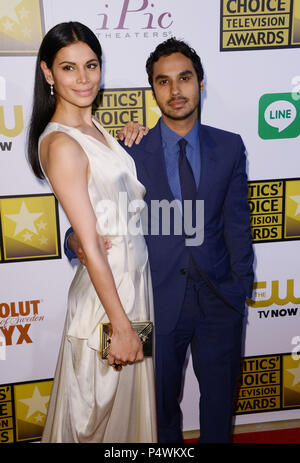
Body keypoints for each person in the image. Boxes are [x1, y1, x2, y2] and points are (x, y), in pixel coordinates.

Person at [65, 38, 254, 443]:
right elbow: (94, 212)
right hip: (151, 302)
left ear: (200, 84)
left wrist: (240, 287)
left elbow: (238, 223)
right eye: (163, 82)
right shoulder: (130, 152)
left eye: (184, 78)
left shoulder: (230, 145)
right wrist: (74, 241)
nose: (175, 90)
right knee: (158, 407)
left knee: (221, 403)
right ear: (153, 90)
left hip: (221, 299)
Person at [27, 21, 157, 443]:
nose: (83, 79)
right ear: (48, 73)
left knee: (126, 419)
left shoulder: (97, 129)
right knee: (94, 423)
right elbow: (91, 247)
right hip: (108, 301)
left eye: (91, 65)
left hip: (133, 284)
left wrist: (133, 139)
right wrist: (121, 326)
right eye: (68, 68)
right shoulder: (62, 144)